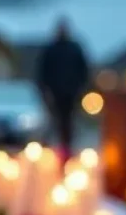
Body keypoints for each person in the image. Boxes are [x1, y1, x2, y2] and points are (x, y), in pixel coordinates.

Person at [36, 18, 89, 152]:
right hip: (54, 93)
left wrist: (80, 89)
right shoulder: (51, 49)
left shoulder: (74, 49)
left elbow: (83, 70)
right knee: (52, 123)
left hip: (71, 93)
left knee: (68, 124)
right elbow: (42, 71)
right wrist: (45, 91)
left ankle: (66, 150)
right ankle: (45, 152)